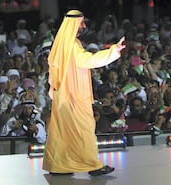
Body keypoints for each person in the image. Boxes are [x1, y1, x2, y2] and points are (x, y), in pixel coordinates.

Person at [42, 10, 125, 176]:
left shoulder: (63, 43)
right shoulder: (72, 45)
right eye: (82, 23)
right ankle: (93, 165)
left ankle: (59, 166)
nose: (84, 26)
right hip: (73, 98)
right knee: (84, 130)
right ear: (74, 24)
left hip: (64, 98)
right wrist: (113, 51)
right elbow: (88, 60)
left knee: (62, 133)